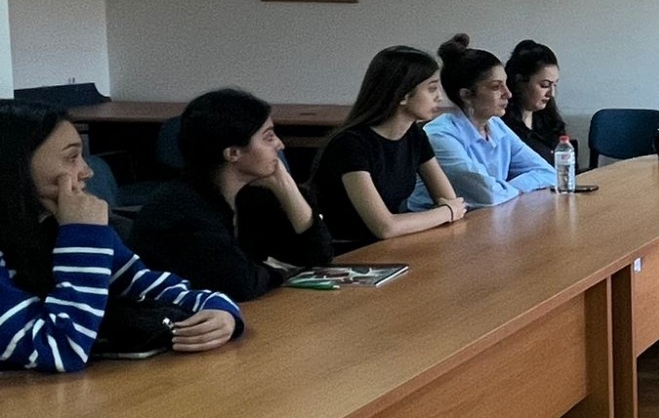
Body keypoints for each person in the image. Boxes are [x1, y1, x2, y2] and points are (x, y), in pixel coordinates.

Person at [0, 102, 242, 372]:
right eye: (71, 157)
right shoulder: (79, 231)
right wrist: (83, 235)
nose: (87, 171)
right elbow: (60, 349)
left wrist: (219, 310)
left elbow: (149, 286)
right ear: (15, 164)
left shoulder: (55, 225)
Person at [130, 88, 334, 300]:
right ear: (233, 153)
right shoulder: (182, 209)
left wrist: (286, 187)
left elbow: (319, 256)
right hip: (174, 316)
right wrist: (281, 270)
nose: (280, 144)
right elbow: (240, 284)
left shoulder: (253, 195)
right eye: (269, 137)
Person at [311, 45, 468, 252]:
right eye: (431, 89)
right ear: (403, 95)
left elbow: (449, 200)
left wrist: (449, 209)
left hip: (390, 247)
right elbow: (385, 227)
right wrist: (447, 212)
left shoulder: (414, 135)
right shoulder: (350, 144)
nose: (439, 97)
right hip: (348, 254)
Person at [411, 35, 556, 210]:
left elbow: (549, 173)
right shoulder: (439, 135)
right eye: (496, 87)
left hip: (488, 216)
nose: (508, 94)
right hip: (438, 224)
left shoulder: (496, 125)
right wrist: (513, 187)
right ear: (466, 95)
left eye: (505, 84)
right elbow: (488, 195)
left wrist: (506, 188)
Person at [501, 39, 567, 165]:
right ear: (519, 81)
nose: (551, 94)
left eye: (554, 85)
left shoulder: (549, 120)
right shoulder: (502, 126)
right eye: (544, 85)